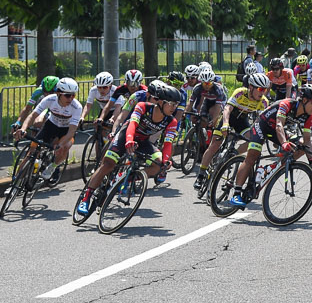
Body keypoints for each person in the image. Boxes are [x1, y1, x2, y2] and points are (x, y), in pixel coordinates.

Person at [78, 84, 182, 214]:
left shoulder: (171, 121)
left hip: (143, 141)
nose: (174, 108)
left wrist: (166, 160)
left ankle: (126, 179)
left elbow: (168, 143)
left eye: (176, 104)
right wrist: (129, 140)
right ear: (161, 102)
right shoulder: (142, 106)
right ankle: (86, 197)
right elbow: (132, 124)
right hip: (126, 135)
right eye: (171, 104)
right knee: (108, 164)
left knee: (158, 164)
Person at [228, 85, 312, 208]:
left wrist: (311, 158)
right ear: (304, 100)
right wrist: (284, 143)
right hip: (262, 125)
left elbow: (307, 140)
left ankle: (271, 168)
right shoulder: (286, 104)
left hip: (276, 131)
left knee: (300, 145)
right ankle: (236, 193)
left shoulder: (309, 117)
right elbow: (279, 124)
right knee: (252, 155)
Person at [194, 73, 270, 192]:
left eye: (264, 89)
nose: (262, 92)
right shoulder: (240, 92)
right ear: (251, 87)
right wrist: (225, 124)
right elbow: (227, 109)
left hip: (242, 120)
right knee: (214, 145)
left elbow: (259, 121)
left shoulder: (264, 102)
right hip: (229, 117)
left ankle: (234, 154)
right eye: (260, 89)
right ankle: (201, 175)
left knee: (252, 139)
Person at [15, 77, 82, 183]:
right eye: (68, 95)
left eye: (73, 95)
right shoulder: (49, 99)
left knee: (65, 147)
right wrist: (23, 128)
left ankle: (53, 166)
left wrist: (61, 144)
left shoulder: (77, 107)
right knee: (31, 152)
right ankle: (15, 183)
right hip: (51, 125)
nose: (71, 98)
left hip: (66, 130)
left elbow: (72, 131)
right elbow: (32, 115)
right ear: (59, 93)